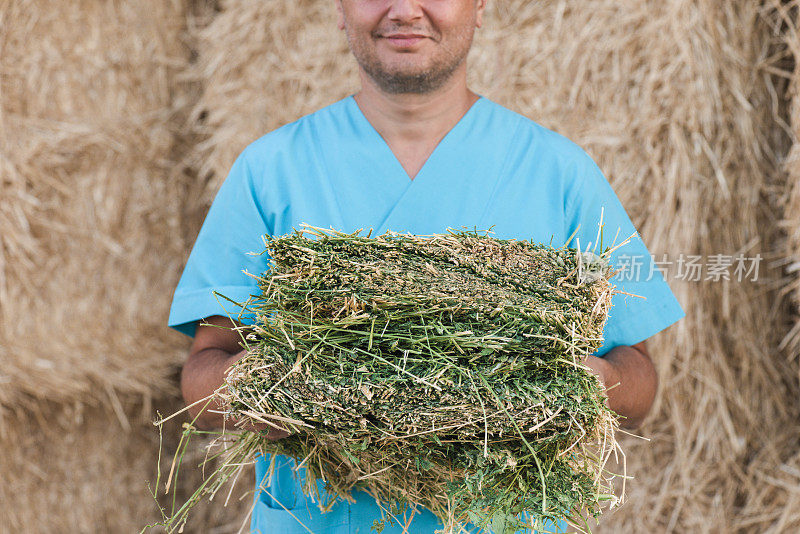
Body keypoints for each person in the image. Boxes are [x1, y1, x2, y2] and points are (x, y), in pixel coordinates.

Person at [168, 0, 685, 532]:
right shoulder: (271, 170)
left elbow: (637, 375)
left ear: (479, 7)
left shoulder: (558, 172)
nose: (405, 9)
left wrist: (581, 388)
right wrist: (268, 392)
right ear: (341, 10)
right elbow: (203, 374)